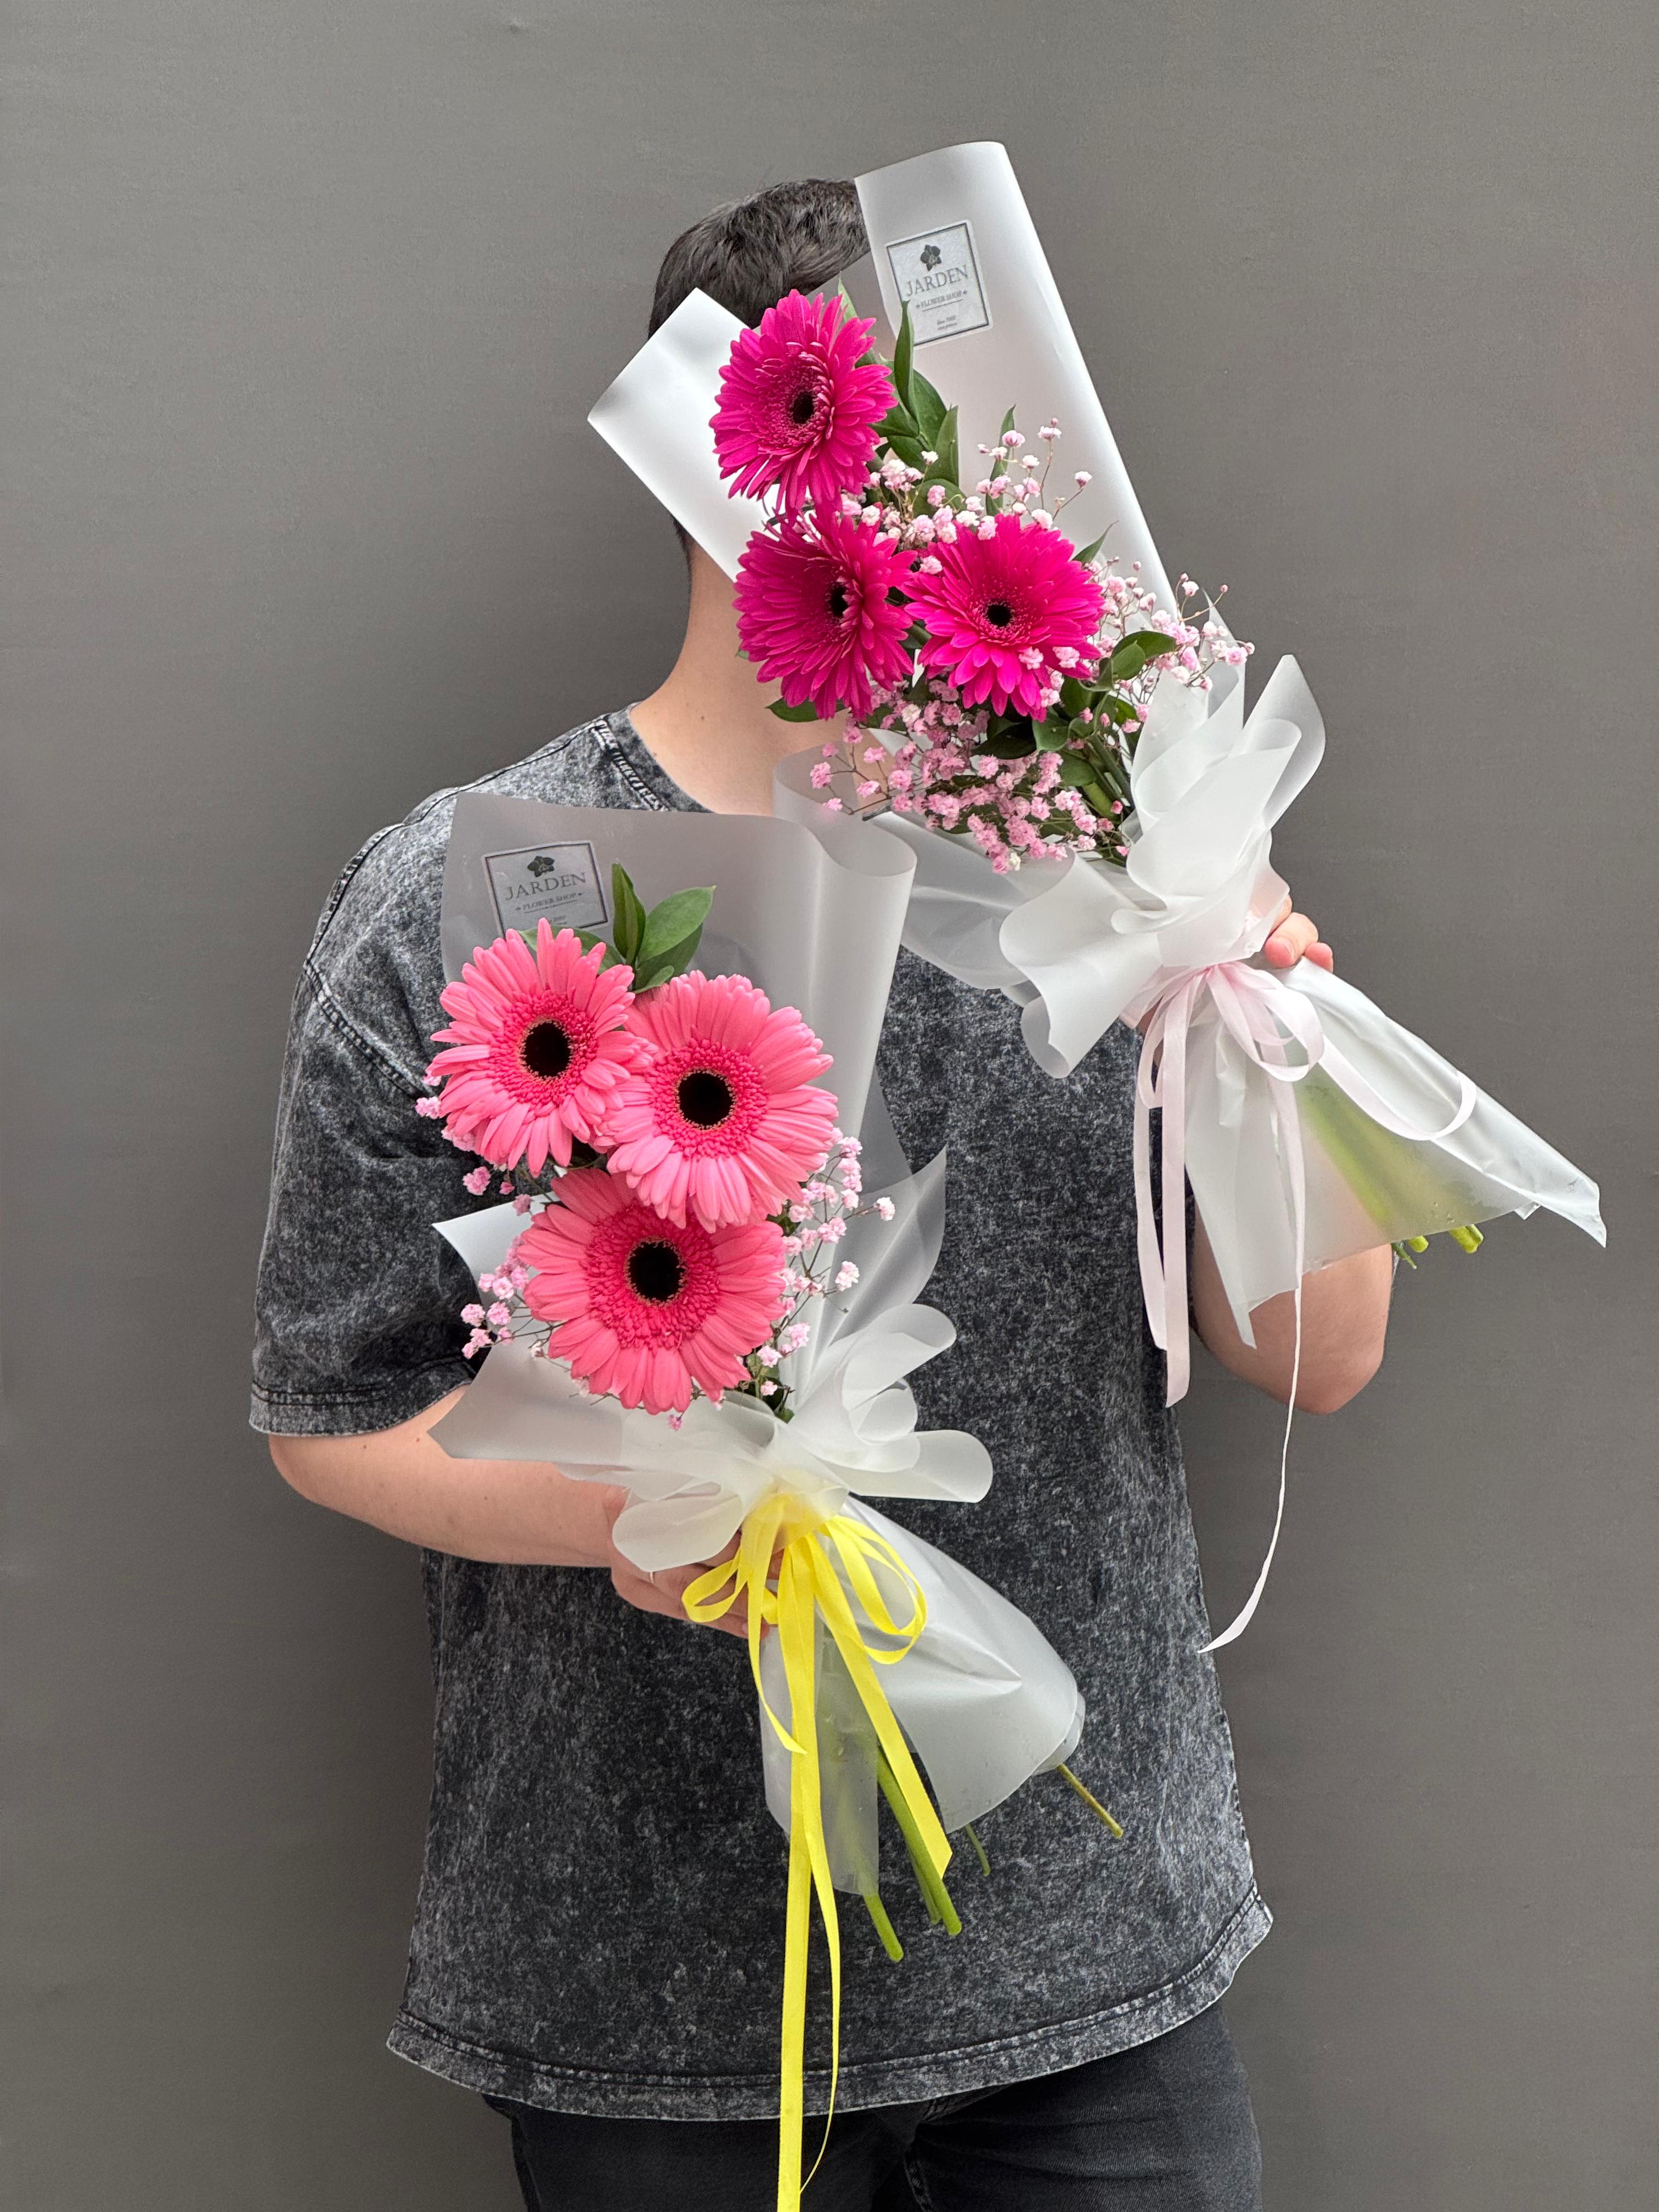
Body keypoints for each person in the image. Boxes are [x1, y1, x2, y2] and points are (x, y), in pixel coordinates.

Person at [253, 179, 1392, 2212]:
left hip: (1095, 1978)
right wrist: (640, 1515)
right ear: (727, 447)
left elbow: (1323, 1353)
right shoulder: (463, 894)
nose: (964, 498)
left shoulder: (1109, 868)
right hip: (648, 1997)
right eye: (902, 434)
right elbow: (333, 1410)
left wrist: (1247, 991)